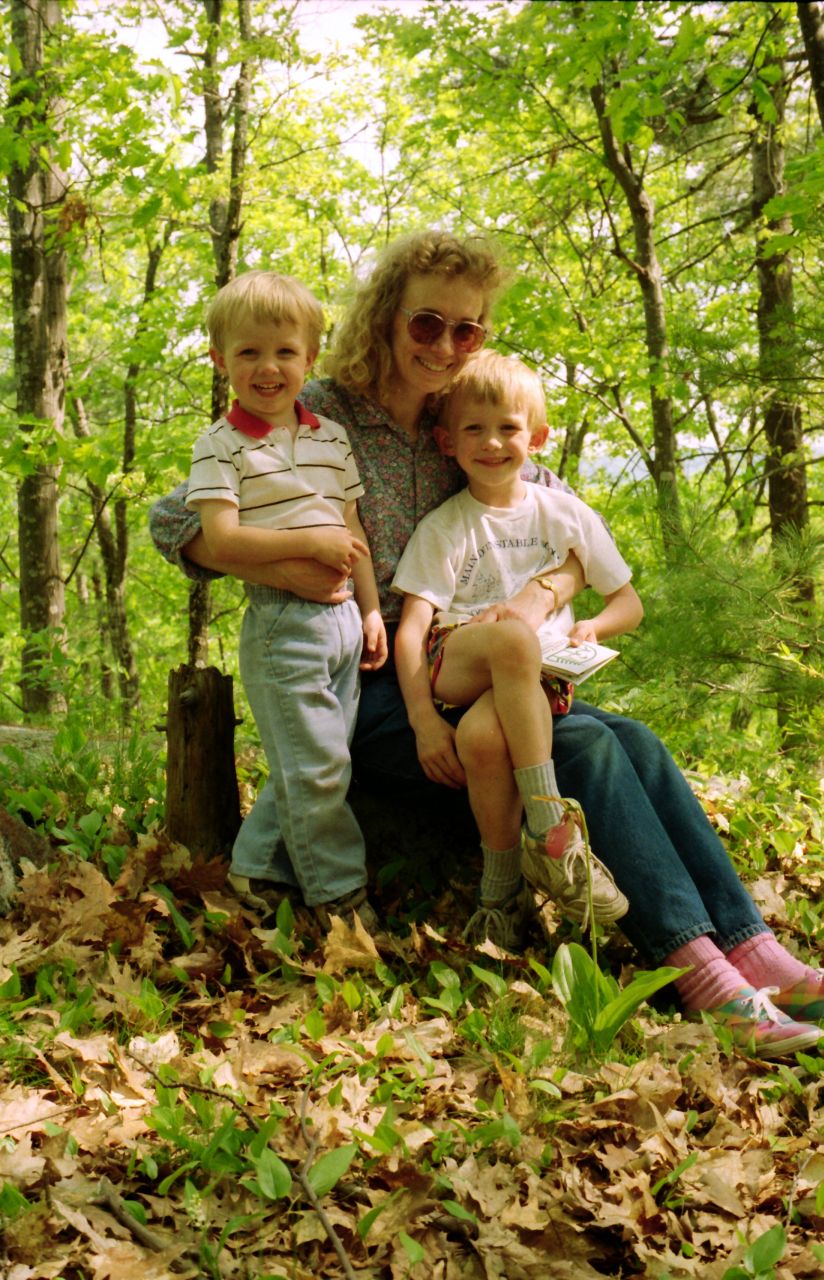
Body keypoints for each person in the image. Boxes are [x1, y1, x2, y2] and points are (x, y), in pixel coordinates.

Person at [150, 230, 823, 1059]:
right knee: (586, 748)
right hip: (372, 684)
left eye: (466, 330)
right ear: (386, 317)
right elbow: (172, 519)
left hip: (478, 672)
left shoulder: (463, 416)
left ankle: (755, 950)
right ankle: (703, 978)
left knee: (635, 742)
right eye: (426, 324)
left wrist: (549, 590)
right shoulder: (315, 411)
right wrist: (288, 566)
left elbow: (565, 523)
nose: (444, 347)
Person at [392, 352, 643, 947]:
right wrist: (424, 720)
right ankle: (553, 832)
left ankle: (501, 896)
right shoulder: (446, 526)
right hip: (458, 658)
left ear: (536, 438)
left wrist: (594, 627)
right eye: (473, 429)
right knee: (510, 635)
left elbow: (628, 603)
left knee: (483, 740)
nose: (491, 442)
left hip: (537, 677)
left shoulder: (565, 514)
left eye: (507, 427)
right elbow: (410, 630)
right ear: (447, 441)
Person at [184, 270, 388, 930]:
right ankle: (340, 899)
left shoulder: (330, 436)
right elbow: (222, 537)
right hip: (283, 627)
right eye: (248, 352)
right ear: (220, 359)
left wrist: (371, 609)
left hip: (345, 623)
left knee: (318, 762)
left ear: (310, 358)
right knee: (318, 769)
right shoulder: (220, 445)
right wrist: (305, 543)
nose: (268, 368)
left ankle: (256, 867)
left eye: (285, 352)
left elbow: (352, 529)